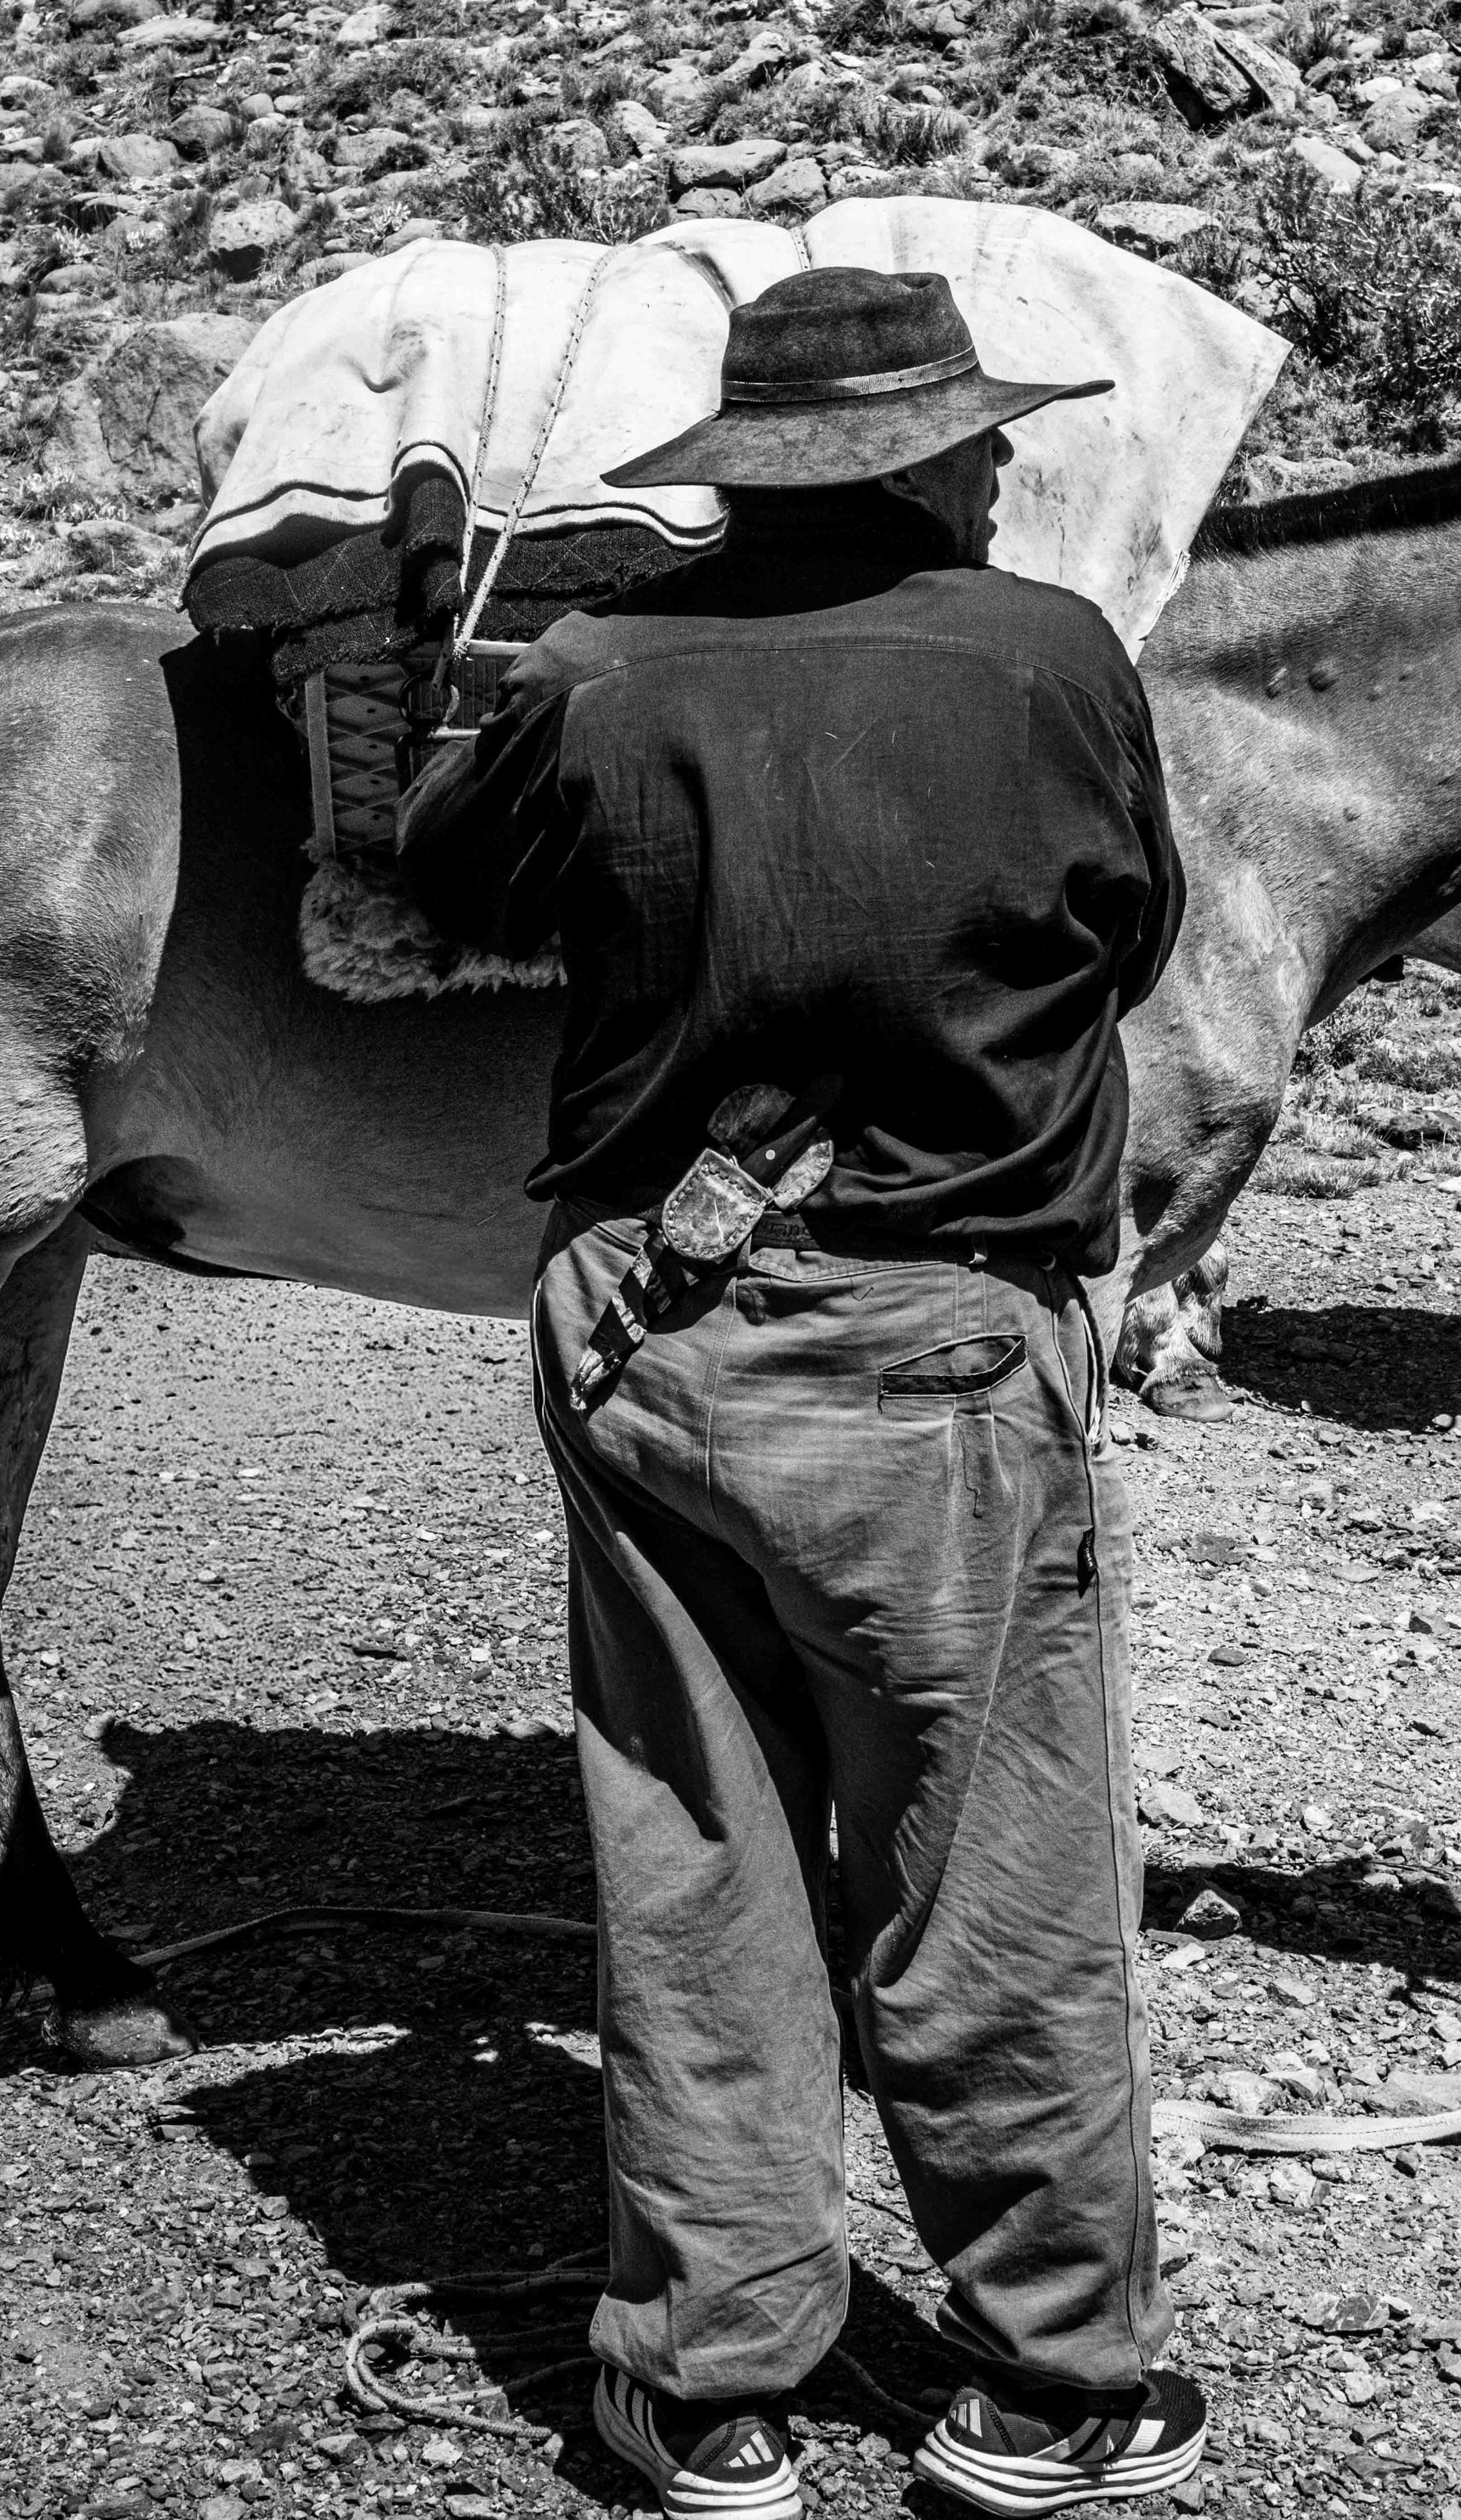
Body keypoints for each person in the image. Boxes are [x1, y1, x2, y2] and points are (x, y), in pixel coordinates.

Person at [394, 265, 1202, 2520]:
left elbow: (443, 881)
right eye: (981, 438)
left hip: (645, 1327)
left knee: (692, 1848)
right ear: (928, 466)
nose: (1004, 463)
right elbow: (1128, 936)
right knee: (985, 1865)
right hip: (935, 1347)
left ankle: (713, 2378)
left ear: (749, 474)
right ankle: (1050, 2379)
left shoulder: (596, 669)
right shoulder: (1050, 660)